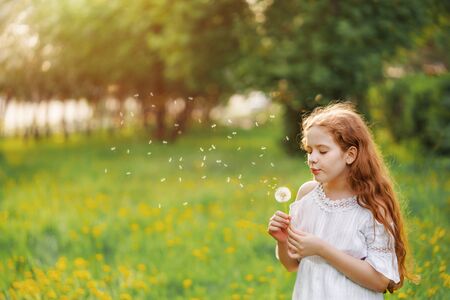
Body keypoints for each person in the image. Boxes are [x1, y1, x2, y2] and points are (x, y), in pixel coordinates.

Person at [267, 102, 418, 299]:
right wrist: (283, 241)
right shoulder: (307, 195)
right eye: (309, 150)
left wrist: (322, 249)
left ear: (350, 155)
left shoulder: (371, 205)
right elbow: (292, 264)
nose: (312, 158)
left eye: (322, 151)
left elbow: (380, 281)